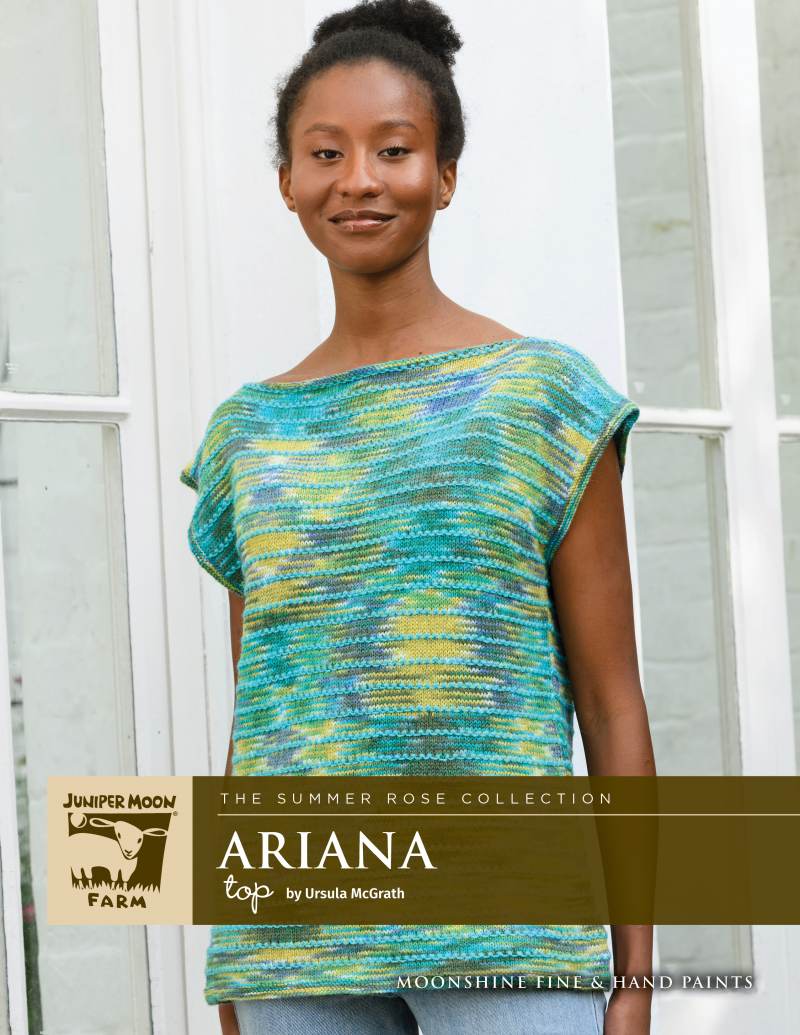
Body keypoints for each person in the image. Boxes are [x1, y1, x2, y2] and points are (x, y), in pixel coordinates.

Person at [179, 0, 656, 1032]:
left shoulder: (540, 398)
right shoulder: (246, 435)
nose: (358, 179)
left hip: (511, 941)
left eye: (393, 150)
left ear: (443, 175)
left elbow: (610, 699)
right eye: (325, 153)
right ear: (287, 182)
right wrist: (235, 947)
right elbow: (264, 719)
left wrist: (634, 976)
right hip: (297, 954)